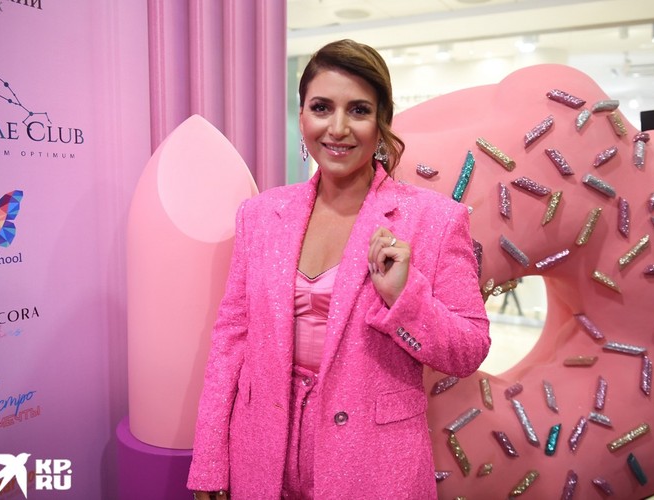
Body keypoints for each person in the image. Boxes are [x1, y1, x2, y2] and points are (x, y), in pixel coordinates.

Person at [187, 39, 491, 499]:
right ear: (302, 116)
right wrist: (210, 461)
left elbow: (468, 350)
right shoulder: (260, 215)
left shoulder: (435, 220)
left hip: (373, 463)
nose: (338, 128)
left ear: (381, 121)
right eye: (322, 107)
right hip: (261, 454)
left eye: (359, 110)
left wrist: (404, 298)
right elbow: (231, 339)